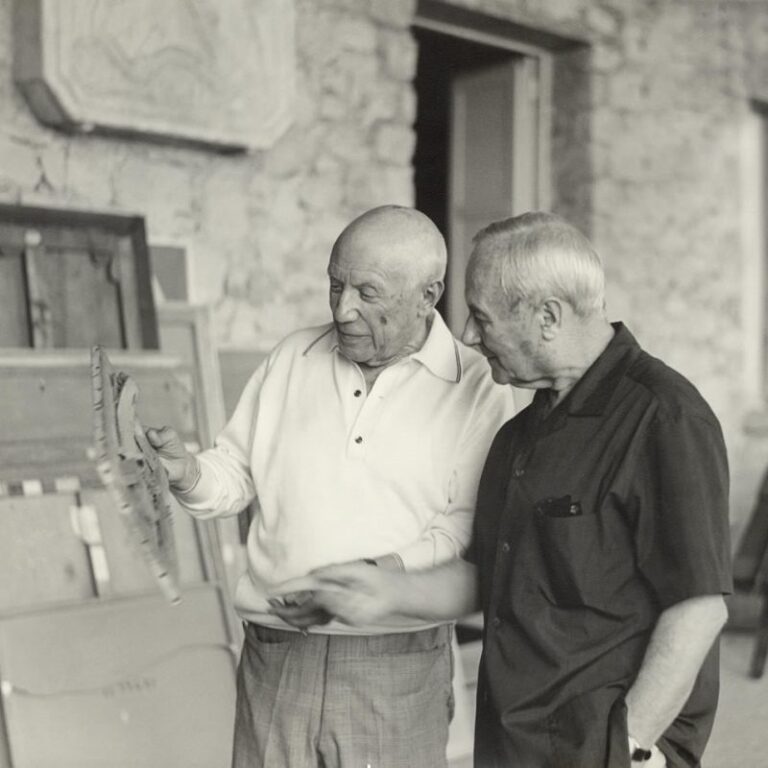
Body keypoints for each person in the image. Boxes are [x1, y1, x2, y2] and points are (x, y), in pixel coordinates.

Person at [275, 211, 733, 768]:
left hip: (603, 750)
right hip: (513, 742)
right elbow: (487, 576)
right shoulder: (519, 435)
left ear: (547, 317)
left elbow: (699, 607)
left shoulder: (665, 418)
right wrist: (379, 593)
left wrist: (631, 749)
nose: (467, 334)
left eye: (481, 317)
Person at [146, 205, 514, 768]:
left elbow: (463, 528)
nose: (344, 309)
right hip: (276, 654)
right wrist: (187, 473)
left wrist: (374, 577)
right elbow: (238, 470)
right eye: (335, 285)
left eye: (368, 292)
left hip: (395, 662)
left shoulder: (477, 386)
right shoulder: (294, 357)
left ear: (428, 294)